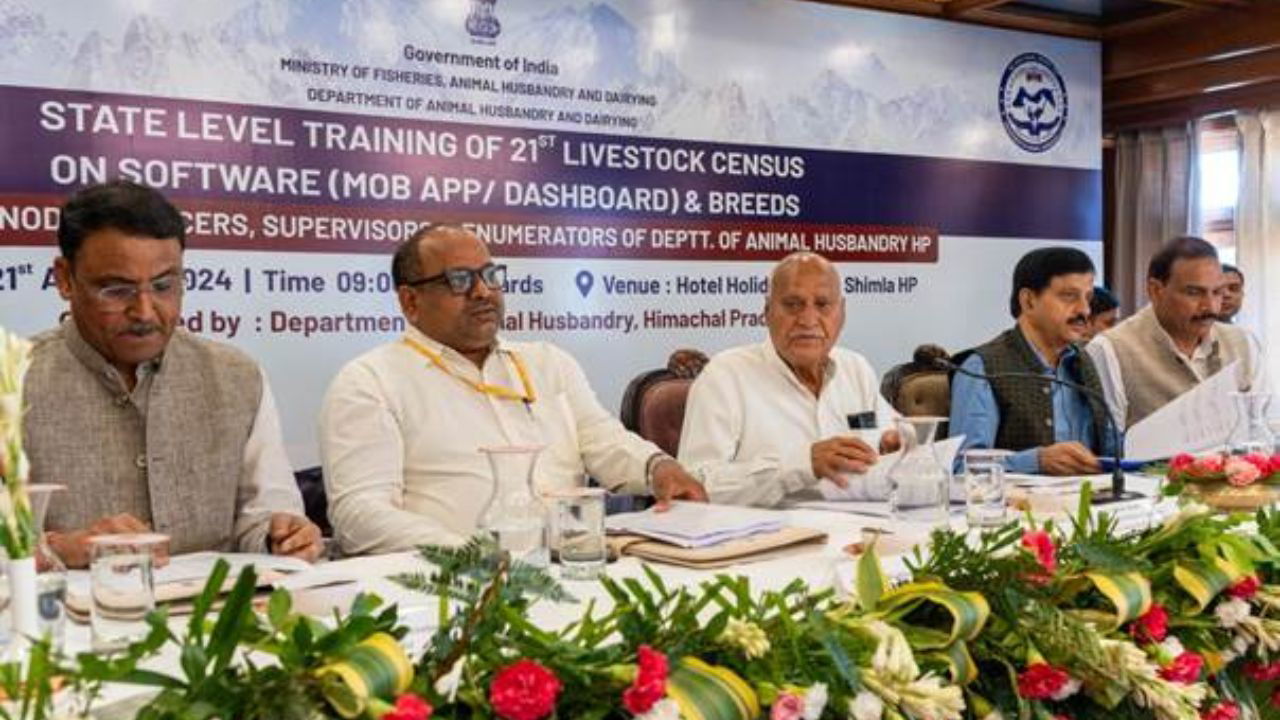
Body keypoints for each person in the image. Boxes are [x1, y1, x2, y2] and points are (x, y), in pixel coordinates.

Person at [319, 224, 707, 555]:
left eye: (490, 275)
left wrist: (658, 467)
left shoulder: (546, 361)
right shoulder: (370, 381)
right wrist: (465, 555)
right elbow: (359, 513)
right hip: (454, 587)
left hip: (571, 566)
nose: (483, 292)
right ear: (410, 301)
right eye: (459, 280)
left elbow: (603, 441)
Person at [23, 180, 321, 568]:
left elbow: (263, 513)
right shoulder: (12, 382)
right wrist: (59, 550)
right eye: (116, 290)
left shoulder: (236, 376)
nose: (146, 311)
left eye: (164, 286)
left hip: (222, 619)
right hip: (63, 622)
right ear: (64, 279)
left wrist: (280, 536)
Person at [678, 252, 898, 508]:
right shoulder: (725, 377)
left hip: (859, 533)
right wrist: (799, 467)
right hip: (768, 539)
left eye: (823, 304)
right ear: (767, 312)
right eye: (793, 304)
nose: (807, 320)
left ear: (842, 312)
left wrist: (896, 447)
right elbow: (693, 485)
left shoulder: (856, 369)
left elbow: (888, 438)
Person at [949, 247, 1115, 475]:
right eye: (1069, 296)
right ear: (1028, 301)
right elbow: (961, 470)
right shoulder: (982, 368)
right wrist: (1036, 462)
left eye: (1087, 298)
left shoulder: (1082, 361)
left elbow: (1109, 446)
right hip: (1019, 508)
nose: (1084, 310)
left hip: (1095, 501)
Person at [1086, 237, 1268, 428]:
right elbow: (1110, 446)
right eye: (1194, 292)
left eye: (1216, 292)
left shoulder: (1243, 343)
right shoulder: (1110, 350)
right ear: (1155, 290)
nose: (1210, 306)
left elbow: (1264, 425)